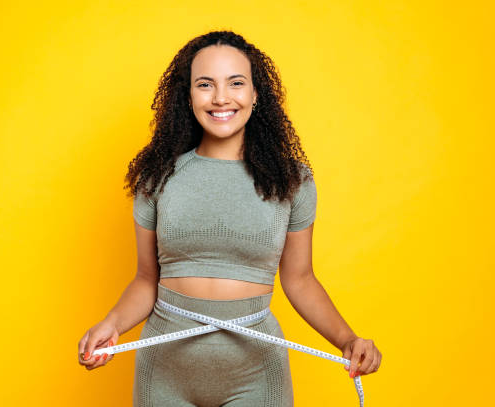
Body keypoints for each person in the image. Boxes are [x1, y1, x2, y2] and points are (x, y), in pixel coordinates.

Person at [78, 30, 382, 406]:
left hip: (256, 372)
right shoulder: (157, 177)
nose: (221, 97)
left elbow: (300, 279)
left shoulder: (292, 180)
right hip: (165, 372)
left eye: (236, 83)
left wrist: (349, 341)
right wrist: (111, 326)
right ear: (187, 97)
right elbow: (145, 279)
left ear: (256, 94)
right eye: (205, 84)